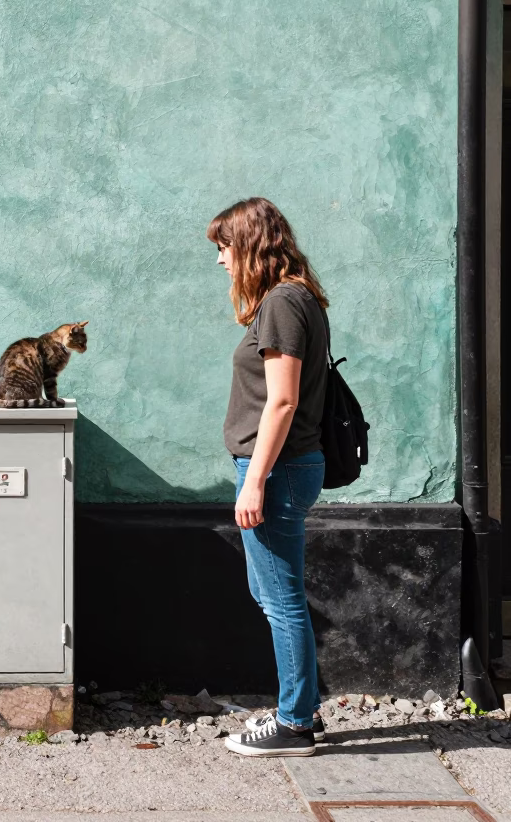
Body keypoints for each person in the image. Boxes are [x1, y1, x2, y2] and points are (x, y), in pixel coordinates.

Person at [209, 197, 329, 758]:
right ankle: (299, 709)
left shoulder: (283, 302)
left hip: (275, 469)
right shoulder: (296, 297)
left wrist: (254, 480)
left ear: (251, 246)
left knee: (281, 600)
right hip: (283, 467)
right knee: (270, 592)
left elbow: (281, 402)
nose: (221, 262)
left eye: (224, 248)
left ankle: (294, 724)